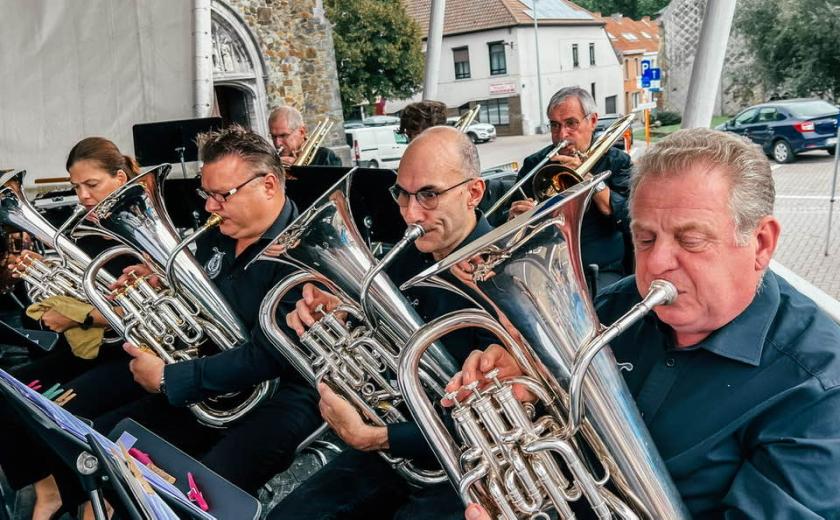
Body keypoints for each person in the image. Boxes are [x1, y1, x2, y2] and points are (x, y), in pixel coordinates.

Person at [455, 128, 840, 519]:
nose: (656, 264)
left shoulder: (819, 385)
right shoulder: (615, 306)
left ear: (761, 243)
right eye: (645, 239)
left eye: (690, 240)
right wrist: (527, 387)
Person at [268, 126, 494, 520]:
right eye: (402, 194)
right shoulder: (404, 258)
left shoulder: (503, 275)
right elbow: (371, 342)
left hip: (471, 469)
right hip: (392, 449)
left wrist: (378, 436)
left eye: (428, 194)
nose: (410, 213)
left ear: (473, 192)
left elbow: (495, 419)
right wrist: (336, 316)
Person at [99, 125, 322, 496]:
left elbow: (271, 355)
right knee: (107, 444)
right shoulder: (217, 236)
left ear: (268, 185)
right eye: (207, 194)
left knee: (201, 493)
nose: (209, 207)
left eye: (222, 195)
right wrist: (163, 285)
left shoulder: (307, 251)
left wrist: (169, 378)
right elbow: (201, 309)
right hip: (211, 382)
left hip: (283, 394)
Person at [0, 137, 148, 519]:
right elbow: (68, 299)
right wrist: (38, 276)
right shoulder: (85, 231)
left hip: (123, 355)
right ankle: (48, 490)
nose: (82, 196)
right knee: (6, 395)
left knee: (57, 416)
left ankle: (78, 498)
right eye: (75, 186)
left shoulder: (141, 232)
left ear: (120, 179)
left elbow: (137, 314)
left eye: (91, 185)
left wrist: (75, 316)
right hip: (84, 350)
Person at [509, 86, 633, 290]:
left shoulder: (617, 162)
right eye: (555, 125)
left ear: (592, 121)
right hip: (548, 269)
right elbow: (510, 226)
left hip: (601, 270)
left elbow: (630, 218)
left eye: (571, 123)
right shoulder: (535, 164)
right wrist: (517, 219)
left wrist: (590, 179)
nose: (562, 135)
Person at [268, 106, 341, 167]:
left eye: (283, 135)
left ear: (302, 132)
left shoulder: (326, 157)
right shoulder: (271, 160)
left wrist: (299, 170)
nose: (277, 143)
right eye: (273, 136)